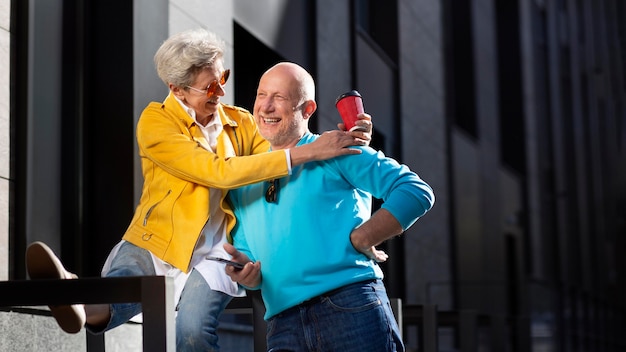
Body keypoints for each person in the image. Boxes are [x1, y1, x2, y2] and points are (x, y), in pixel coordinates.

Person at [25, 29, 372, 351]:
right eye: (210, 86)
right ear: (178, 89)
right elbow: (215, 172)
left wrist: (341, 140)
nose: (221, 92)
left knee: (190, 331)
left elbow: (282, 148)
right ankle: (76, 295)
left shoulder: (241, 122)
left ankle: (75, 291)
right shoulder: (156, 122)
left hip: (220, 250)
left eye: (223, 78)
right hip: (160, 238)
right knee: (123, 285)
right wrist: (307, 151)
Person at [224, 62, 435, 352]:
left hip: (350, 307)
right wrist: (248, 274)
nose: (266, 107)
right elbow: (250, 256)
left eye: (280, 98)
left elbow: (414, 191)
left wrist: (363, 236)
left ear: (307, 109)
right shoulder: (245, 177)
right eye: (262, 95)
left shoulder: (337, 148)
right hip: (282, 324)